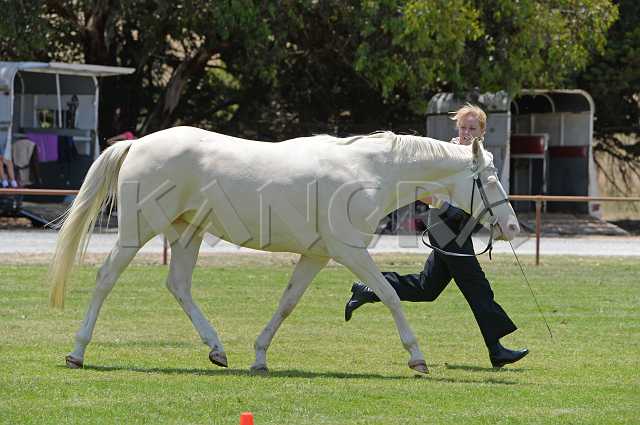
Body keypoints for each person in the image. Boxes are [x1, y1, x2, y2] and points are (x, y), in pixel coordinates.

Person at [344, 104, 529, 368]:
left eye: (472, 128)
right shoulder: (444, 154)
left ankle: (369, 288)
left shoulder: (483, 157)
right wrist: (445, 205)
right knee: (477, 286)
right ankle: (496, 350)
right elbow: (420, 190)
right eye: (463, 127)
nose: (466, 132)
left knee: (427, 287)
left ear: (482, 131)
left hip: (464, 225)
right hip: (444, 224)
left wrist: (497, 222)